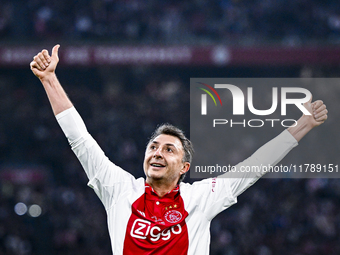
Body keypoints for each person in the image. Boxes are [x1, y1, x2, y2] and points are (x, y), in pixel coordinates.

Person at [30, 45, 328, 255]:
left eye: (169, 149)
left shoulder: (201, 197)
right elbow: (80, 140)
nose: (157, 152)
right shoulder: (119, 189)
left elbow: (254, 166)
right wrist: (49, 80)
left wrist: (303, 125)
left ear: (185, 167)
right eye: (154, 147)